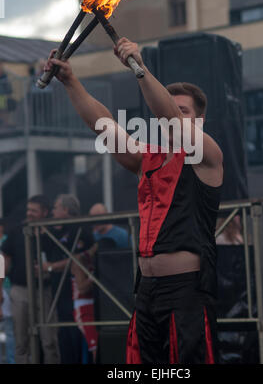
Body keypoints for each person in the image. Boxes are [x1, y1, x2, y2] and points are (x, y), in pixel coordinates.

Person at [44, 37, 223, 364]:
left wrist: (139, 69)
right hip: (146, 291)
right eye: (170, 108)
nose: (172, 115)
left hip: (185, 292)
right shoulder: (148, 158)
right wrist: (70, 81)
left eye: (183, 111)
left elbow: (169, 116)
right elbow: (104, 125)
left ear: (199, 121)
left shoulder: (207, 155)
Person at [0, 196, 59, 364]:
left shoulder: (51, 232)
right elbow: (3, 259)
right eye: (28, 210)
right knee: (21, 340)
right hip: (20, 290)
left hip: (44, 290)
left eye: (34, 210)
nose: (29, 213)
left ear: (44, 212)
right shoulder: (17, 231)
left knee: (49, 340)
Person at [43, 194, 95, 364]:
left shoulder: (82, 228)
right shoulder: (53, 230)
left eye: (56, 208)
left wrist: (53, 266)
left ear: (65, 209)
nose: (52, 211)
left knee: (78, 333)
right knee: (63, 331)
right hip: (58, 288)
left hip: (78, 291)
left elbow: (81, 256)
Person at [0, 219, 15, 363]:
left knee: (10, 329)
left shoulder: (5, 242)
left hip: (6, 288)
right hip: (5, 288)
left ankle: (12, 360)